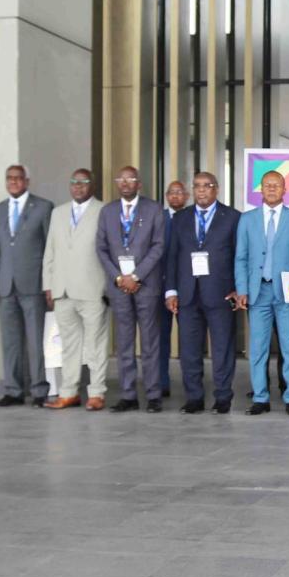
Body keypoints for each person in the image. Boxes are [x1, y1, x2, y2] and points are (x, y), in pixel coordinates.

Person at [235, 170, 289, 416]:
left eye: (276, 185)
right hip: (258, 292)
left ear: (284, 189)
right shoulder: (247, 219)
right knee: (258, 349)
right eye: (267, 185)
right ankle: (260, 398)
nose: (271, 189)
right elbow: (241, 258)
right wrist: (242, 289)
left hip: (286, 293)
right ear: (261, 189)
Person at [165, 172, 240, 414]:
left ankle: (223, 397)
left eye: (206, 186)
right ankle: (194, 397)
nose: (201, 191)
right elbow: (172, 256)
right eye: (197, 186)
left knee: (222, 349)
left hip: (220, 293)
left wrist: (239, 288)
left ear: (216, 189)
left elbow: (240, 256)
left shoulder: (232, 217)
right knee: (189, 350)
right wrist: (171, 291)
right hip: (187, 294)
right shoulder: (180, 218)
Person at [96, 166, 168, 413]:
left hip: (146, 284)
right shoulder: (107, 212)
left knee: (150, 342)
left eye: (131, 179)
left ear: (139, 184)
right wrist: (119, 277)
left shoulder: (154, 209)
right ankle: (128, 394)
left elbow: (158, 246)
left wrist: (135, 275)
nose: (125, 183)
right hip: (119, 288)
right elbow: (101, 249)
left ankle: (153, 394)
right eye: (121, 179)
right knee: (124, 342)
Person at [0, 164, 54, 407]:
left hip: (33, 285)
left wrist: (50, 285)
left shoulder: (44, 207)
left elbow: (50, 250)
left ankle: (38, 391)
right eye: (9, 178)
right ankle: (13, 391)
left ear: (27, 181)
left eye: (18, 178)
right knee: (10, 341)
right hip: (5, 286)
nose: (13, 182)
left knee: (35, 341)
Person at [43, 169, 109, 410]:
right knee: (68, 345)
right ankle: (69, 392)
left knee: (95, 345)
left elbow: (109, 250)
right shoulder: (58, 213)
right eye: (74, 182)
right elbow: (50, 251)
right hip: (63, 290)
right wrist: (48, 285)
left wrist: (107, 286)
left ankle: (97, 393)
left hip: (92, 289)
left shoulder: (103, 211)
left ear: (92, 185)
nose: (78, 186)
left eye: (84, 182)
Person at [159, 180, 188, 397]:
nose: (175, 196)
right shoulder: (157, 217)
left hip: (186, 288)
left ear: (187, 196)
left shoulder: (191, 218)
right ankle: (161, 382)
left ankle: (191, 383)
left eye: (180, 193)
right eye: (172, 193)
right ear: (167, 196)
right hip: (158, 287)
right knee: (160, 338)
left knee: (188, 339)